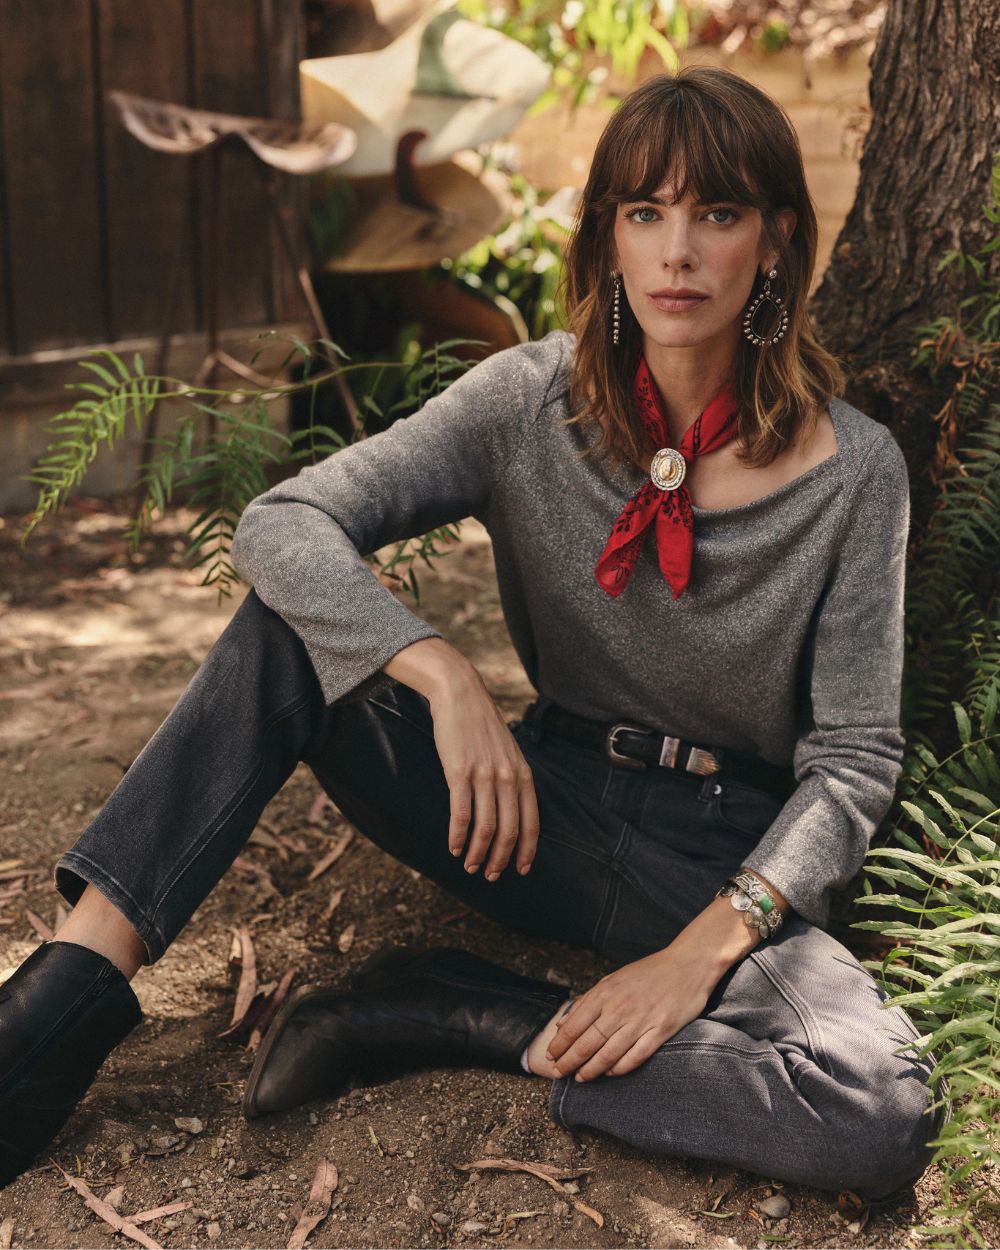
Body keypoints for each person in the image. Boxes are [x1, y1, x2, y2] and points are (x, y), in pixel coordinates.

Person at [0, 66, 948, 1199]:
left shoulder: (855, 472)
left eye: (718, 213)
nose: (678, 253)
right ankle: (55, 1003)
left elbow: (853, 762)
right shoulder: (527, 401)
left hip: (717, 860)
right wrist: (441, 671)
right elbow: (284, 521)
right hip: (527, 817)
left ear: (777, 239)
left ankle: (464, 1012)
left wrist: (700, 952)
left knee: (876, 1108)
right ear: (606, 238)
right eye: (645, 212)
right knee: (287, 632)